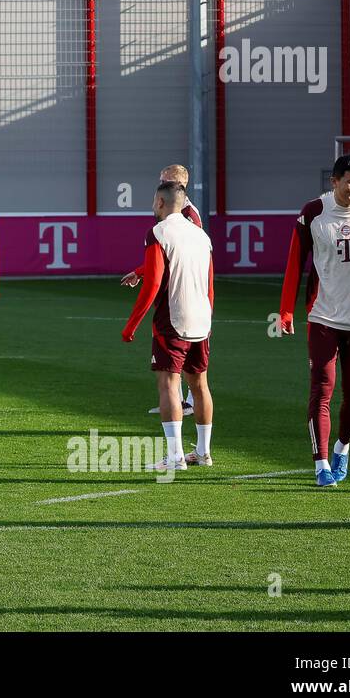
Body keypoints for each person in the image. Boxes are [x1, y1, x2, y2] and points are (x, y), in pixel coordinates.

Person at [278, 154, 350, 487]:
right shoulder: (313, 212)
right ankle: (321, 464)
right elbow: (294, 262)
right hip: (323, 317)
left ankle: (343, 448)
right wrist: (286, 310)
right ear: (335, 182)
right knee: (322, 391)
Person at [122, 182, 216, 470]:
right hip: (202, 318)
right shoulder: (201, 235)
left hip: (173, 321)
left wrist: (132, 324)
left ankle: (175, 457)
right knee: (199, 385)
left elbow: (153, 283)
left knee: (168, 384)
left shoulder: (158, 233)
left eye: (154, 201)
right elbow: (210, 283)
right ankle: (202, 452)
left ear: (160, 202)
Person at [121, 164, 202, 418]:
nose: (159, 183)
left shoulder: (189, 216)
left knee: (181, 363)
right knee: (186, 363)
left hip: (181, 295)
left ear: (177, 184)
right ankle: (180, 404)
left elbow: (182, 255)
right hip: (192, 298)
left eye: (164, 179)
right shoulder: (173, 212)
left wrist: (131, 324)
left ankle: (182, 404)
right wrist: (140, 271)